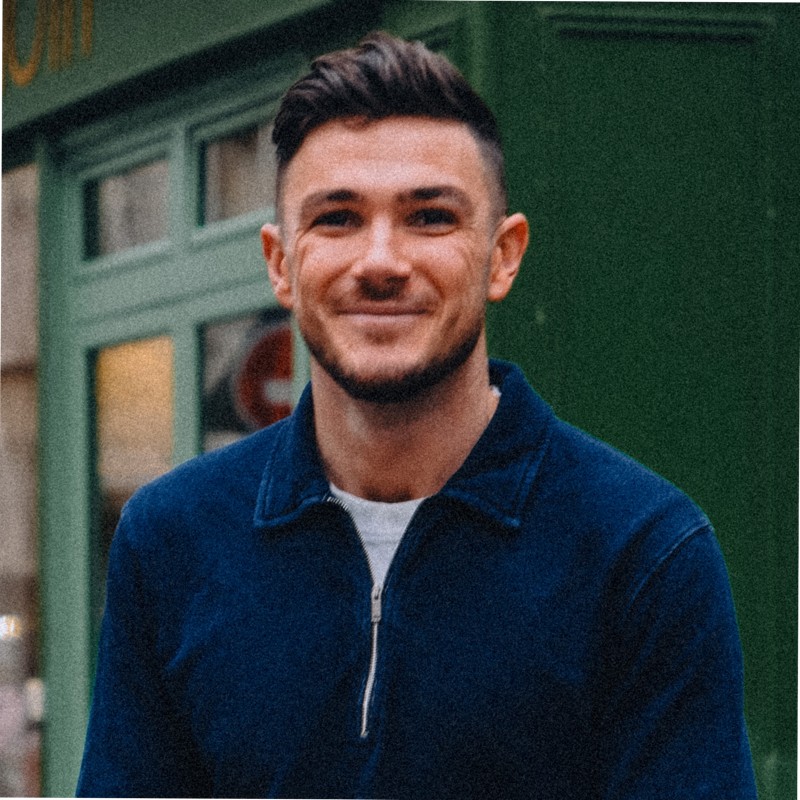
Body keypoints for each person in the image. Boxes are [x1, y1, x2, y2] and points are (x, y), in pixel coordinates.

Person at [77, 32, 757, 798]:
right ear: (280, 263)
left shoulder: (643, 553)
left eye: (429, 217)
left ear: (503, 255)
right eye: (336, 218)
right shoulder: (172, 542)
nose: (380, 261)